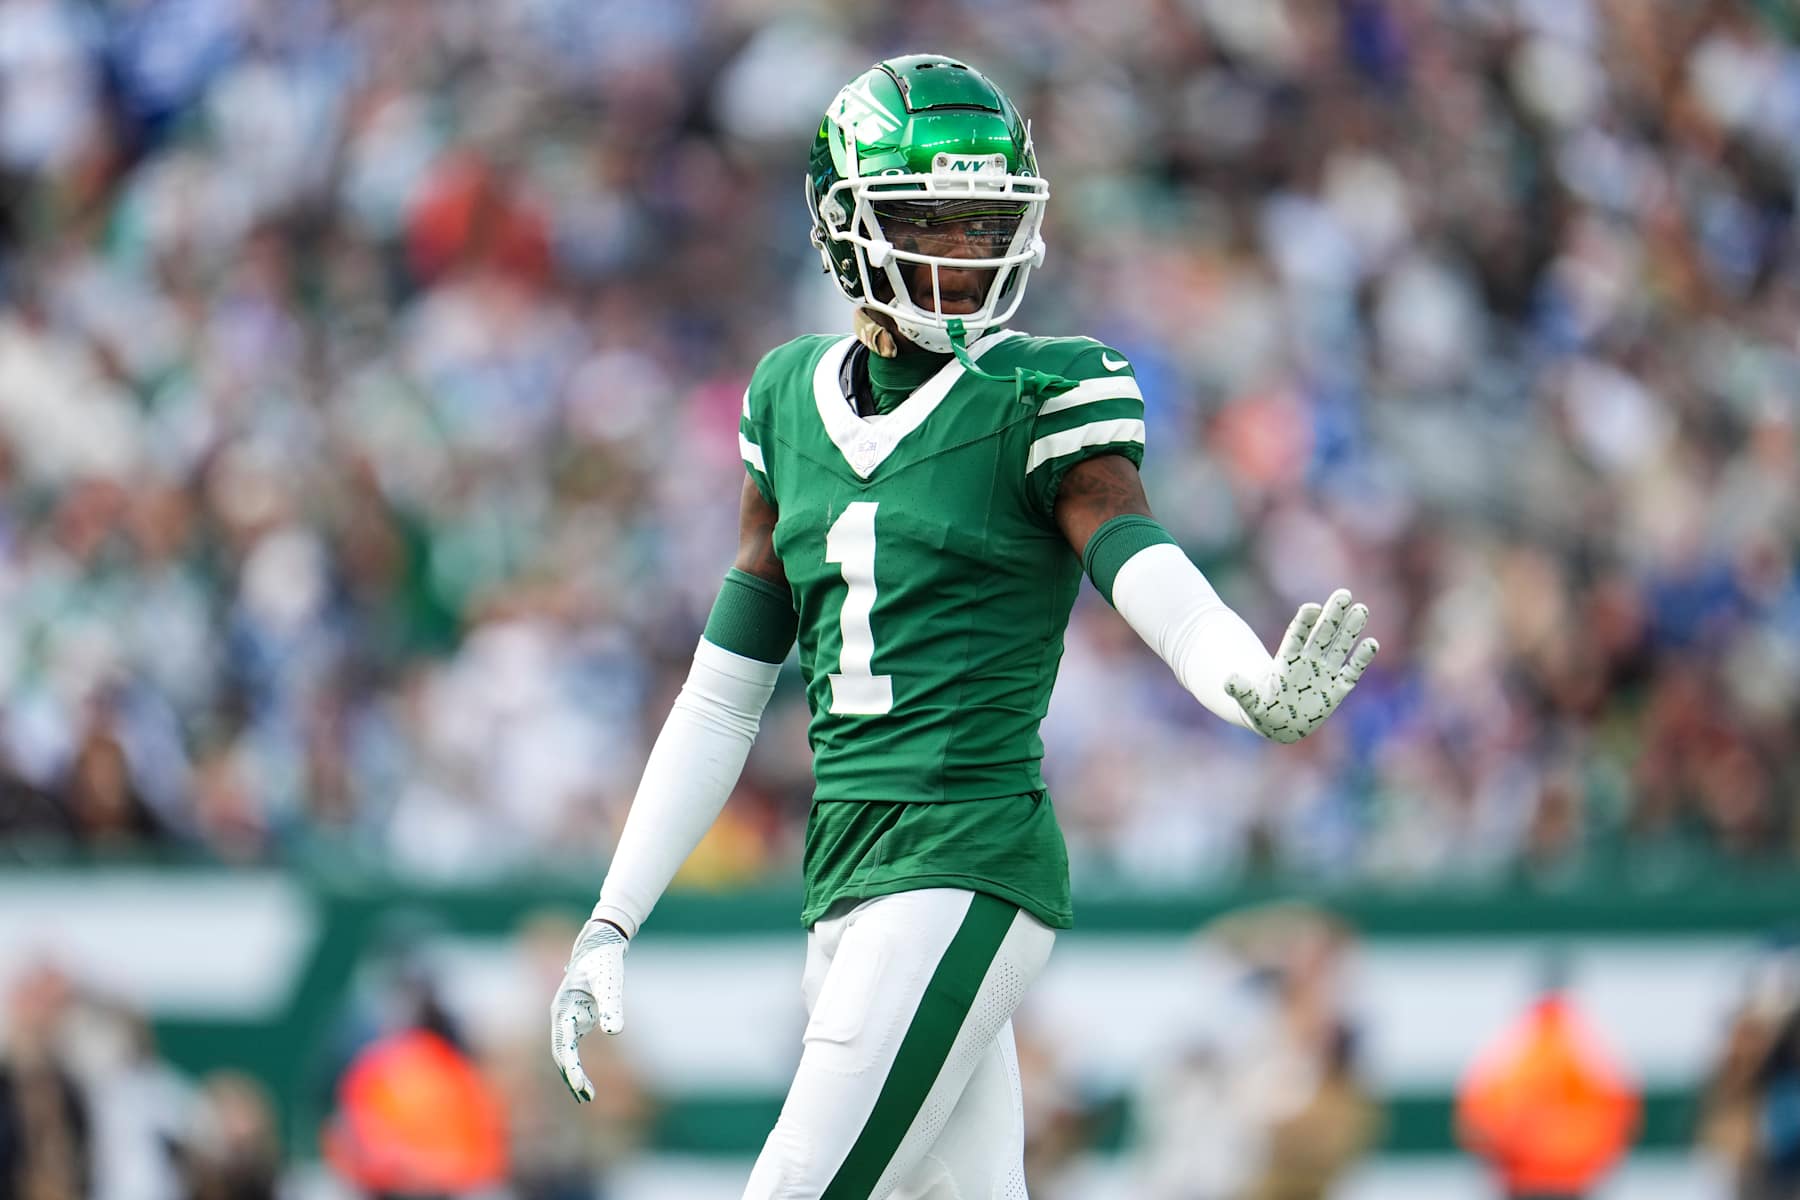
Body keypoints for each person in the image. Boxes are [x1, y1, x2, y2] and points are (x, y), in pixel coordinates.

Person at [550, 54, 1380, 1198]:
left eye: (986, 223)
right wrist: (613, 915)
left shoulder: (1041, 392)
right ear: (844, 227)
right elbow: (725, 688)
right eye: (929, 221)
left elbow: (1132, 548)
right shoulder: (786, 396)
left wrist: (1239, 670)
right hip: (842, 873)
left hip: (965, 859)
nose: (965, 254)